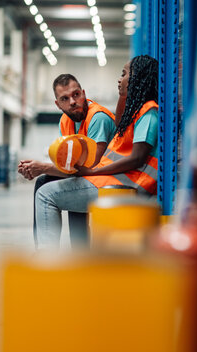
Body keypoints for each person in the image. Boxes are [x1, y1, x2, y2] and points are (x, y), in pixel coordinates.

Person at [34, 55, 159, 249]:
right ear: (57, 104)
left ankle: (46, 261)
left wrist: (91, 172)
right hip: (116, 179)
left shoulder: (148, 113)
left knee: (45, 195)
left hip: (130, 184)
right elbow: (120, 124)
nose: (119, 79)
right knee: (49, 184)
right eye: (65, 99)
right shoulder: (136, 112)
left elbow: (136, 158)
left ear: (137, 79)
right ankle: (77, 253)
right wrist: (124, 95)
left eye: (124, 74)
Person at [18, 74, 116, 247]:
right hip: (90, 178)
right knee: (43, 181)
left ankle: (53, 255)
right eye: (65, 98)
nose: (72, 101)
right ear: (58, 104)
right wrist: (40, 169)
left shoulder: (98, 118)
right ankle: (48, 248)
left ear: (84, 93)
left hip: (108, 180)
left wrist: (43, 167)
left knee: (52, 189)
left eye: (76, 94)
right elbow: (71, 165)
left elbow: (90, 167)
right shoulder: (65, 121)